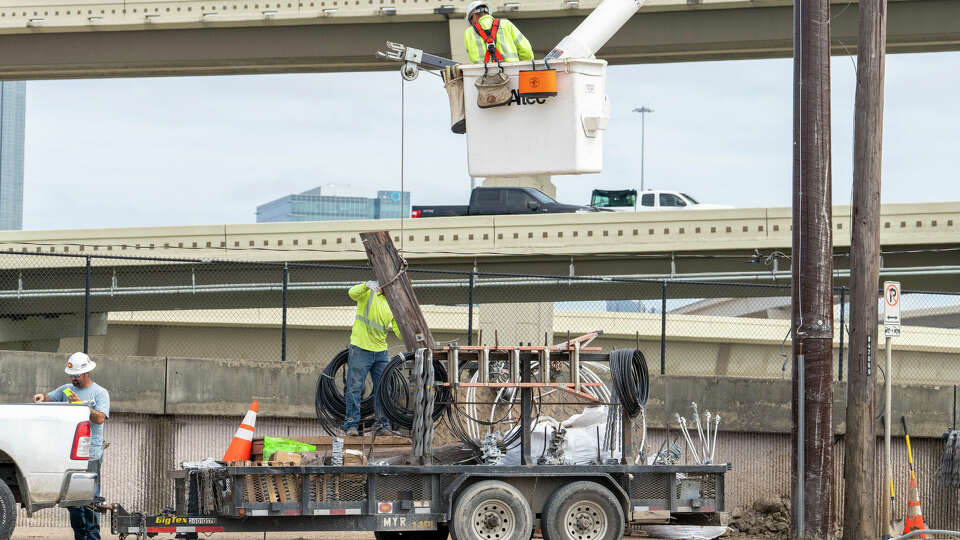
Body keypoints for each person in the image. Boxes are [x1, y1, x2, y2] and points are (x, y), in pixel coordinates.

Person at [33, 352, 110, 540]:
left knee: (90, 500)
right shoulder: (66, 389)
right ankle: (79, 536)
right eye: (71, 374)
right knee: (72, 501)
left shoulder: (100, 393)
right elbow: (49, 397)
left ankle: (93, 537)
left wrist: (81, 406)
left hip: (91, 454)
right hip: (70, 454)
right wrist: (41, 397)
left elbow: (100, 418)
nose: (73, 378)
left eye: (76, 375)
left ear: (86, 373)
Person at [345, 280, 401, 436]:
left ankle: (382, 425)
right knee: (355, 387)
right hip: (361, 347)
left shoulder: (393, 303)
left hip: (381, 351)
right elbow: (351, 293)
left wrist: (408, 323)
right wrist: (365, 285)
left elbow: (398, 332)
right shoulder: (368, 293)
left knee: (384, 388)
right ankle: (351, 425)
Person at [463, 0, 534, 64]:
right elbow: (526, 50)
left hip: (484, 75)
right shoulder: (506, 24)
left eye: (471, 21)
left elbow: (473, 58)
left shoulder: (469, 33)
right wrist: (523, 65)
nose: (473, 25)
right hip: (512, 72)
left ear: (474, 16)